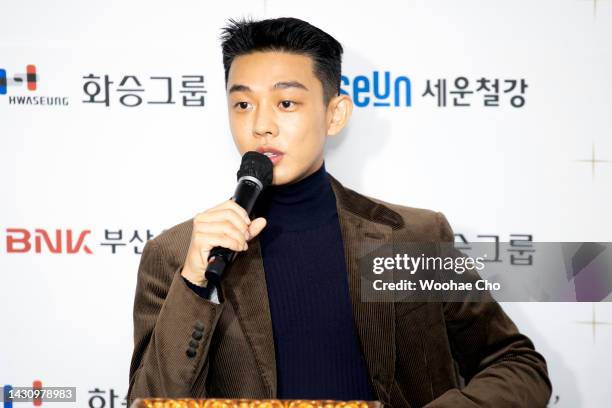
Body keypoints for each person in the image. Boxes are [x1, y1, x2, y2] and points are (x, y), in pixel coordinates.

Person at [127, 17, 552, 407]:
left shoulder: (407, 236)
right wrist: (194, 285)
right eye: (242, 105)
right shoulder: (177, 253)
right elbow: (148, 402)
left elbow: (516, 365)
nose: (261, 126)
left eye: (286, 103)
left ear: (335, 113)